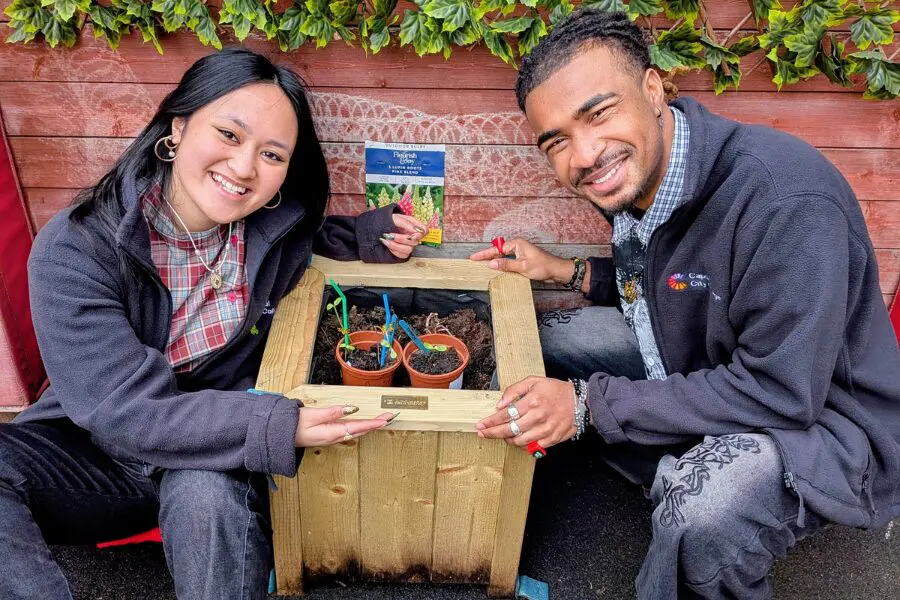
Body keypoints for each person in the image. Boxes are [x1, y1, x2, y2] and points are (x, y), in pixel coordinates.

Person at [471, 8, 900, 599]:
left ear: (652, 89)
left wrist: (588, 405)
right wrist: (565, 271)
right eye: (557, 142)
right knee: (554, 338)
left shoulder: (785, 200)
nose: (585, 154)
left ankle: (686, 519)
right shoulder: (640, 173)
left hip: (827, 426)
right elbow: (671, 283)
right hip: (705, 365)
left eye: (597, 114)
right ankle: (660, 451)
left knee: (700, 509)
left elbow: (781, 391)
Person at [0, 48, 426, 600]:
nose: (245, 167)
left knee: (207, 493)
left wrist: (373, 235)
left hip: (205, 447)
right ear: (178, 127)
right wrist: (274, 424)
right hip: (93, 452)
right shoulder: (76, 248)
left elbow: (309, 237)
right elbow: (124, 410)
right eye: (229, 134)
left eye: (272, 155)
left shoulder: (269, 225)